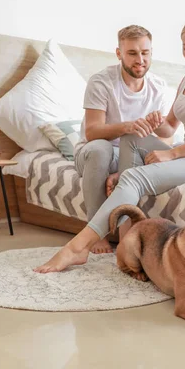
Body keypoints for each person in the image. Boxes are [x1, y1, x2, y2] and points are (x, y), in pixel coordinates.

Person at [34, 17, 185, 273]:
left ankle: (77, 248)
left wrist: (171, 154)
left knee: (133, 179)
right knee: (131, 137)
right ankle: (127, 235)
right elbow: (169, 128)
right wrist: (154, 121)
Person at [74, 25, 169, 254]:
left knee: (144, 152)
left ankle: (130, 235)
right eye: (132, 53)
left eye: (145, 53)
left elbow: (164, 140)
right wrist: (127, 127)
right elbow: (92, 132)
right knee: (101, 150)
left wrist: (121, 172)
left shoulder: (159, 87)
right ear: (119, 54)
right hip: (93, 153)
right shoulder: (101, 82)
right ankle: (95, 232)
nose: (140, 60)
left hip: (131, 154)